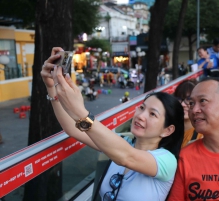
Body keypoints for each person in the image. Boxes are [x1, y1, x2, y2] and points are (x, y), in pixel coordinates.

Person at [41, 47, 185, 201]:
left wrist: (81, 112)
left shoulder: (166, 160)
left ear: (167, 130)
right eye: (142, 108)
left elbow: (127, 157)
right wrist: (51, 87)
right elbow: (72, 129)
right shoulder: (123, 143)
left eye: (152, 114)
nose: (141, 116)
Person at [173, 80, 203, 147]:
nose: (183, 104)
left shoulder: (202, 135)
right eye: (179, 99)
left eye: (189, 100)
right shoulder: (168, 131)